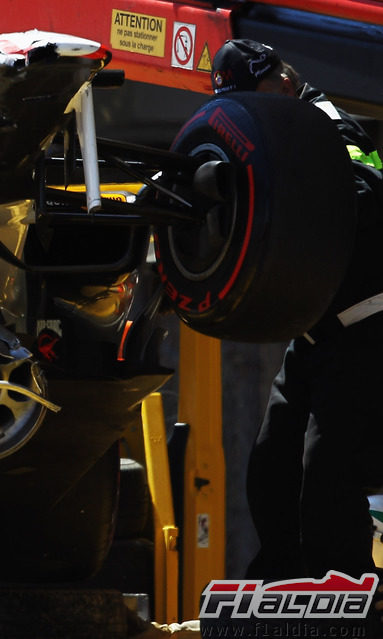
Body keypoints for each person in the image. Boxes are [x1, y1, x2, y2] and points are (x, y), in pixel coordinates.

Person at [212, 39, 383, 581]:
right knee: (269, 466)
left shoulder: (332, 128)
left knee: (327, 472)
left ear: (283, 84)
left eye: (254, 95)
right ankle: (281, 587)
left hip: (366, 330)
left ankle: (352, 593)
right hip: (310, 334)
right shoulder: (265, 138)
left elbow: (369, 194)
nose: (250, 110)